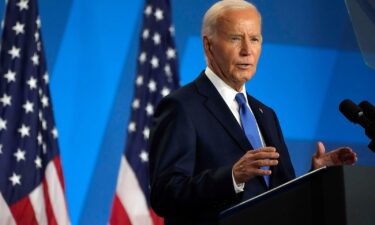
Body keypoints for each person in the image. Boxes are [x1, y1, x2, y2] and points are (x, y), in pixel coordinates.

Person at [148, 1, 357, 224]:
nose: (247, 50)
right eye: (235, 38)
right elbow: (165, 194)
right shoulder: (182, 106)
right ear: (209, 46)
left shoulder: (265, 114)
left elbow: (282, 195)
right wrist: (232, 177)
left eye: (254, 39)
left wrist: (316, 175)